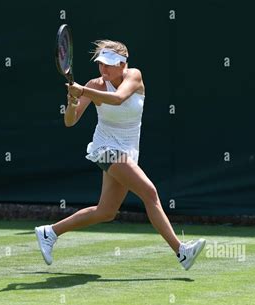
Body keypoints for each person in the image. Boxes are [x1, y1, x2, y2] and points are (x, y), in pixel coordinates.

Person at [35, 40, 206, 270]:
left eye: (109, 65)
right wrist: (72, 101)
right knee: (150, 192)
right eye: (101, 64)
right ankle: (181, 251)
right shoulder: (95, 84)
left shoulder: (134, 76)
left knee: (106, 212)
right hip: (104, 148)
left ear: (123, 64)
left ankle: (50, 232)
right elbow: (70, 121)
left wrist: (83, 91)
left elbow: (118, 99)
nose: (103, 69)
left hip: (128, 150)